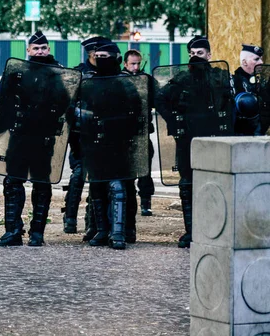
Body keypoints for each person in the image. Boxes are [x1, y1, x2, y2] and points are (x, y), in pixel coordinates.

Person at [0, 31, 74, 247]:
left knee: (41, 183)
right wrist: (9, 79)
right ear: (28, 51)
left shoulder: (57, 73)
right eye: (36, 48)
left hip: (43, 137)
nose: (40, 51)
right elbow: (1, 95)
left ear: (49, 50)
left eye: (43, 48)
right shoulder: (18, 70)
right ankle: (12, 232)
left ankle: (37, 232)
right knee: (12, 183)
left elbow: (65, 101)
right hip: (19, 135)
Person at [155, 36, 233, 248]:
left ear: (209, 55)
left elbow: (229, 106)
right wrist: (175, 122)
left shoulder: (219, 77)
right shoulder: (182, 79)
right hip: (188, 140)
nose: (195, 57)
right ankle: (191, 231)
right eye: (191, 54)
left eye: (199, 53)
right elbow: (160, 99)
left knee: (215, 183)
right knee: (187, 185)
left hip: (214, 140)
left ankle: (214, 229)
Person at [81, 41, 148, 250]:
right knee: (97, 185)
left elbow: (138, 113)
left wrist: (119, 124)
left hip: (120, 142)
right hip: (96, 142)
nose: (101, 60)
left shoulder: (126, 83)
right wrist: (85, 118)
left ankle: (121, 231)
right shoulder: (88, 82)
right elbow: (77, 108)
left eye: (105, 56)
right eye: (98, 56)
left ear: (116, 58)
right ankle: (102, 229)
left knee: (120, 186)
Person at [63, 36, 111, 236]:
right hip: (81, 134)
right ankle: (70, 218)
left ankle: (92, 223)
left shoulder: (109, 73)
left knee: (100, 179)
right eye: (95, 53)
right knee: (78, 175)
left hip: (104, 133)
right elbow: (67, 102)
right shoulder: (78, 73)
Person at [122, 49, 155, 221]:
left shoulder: (146, 80)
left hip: (142, 132)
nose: (135, 67)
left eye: (138, 63)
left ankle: (146, 202)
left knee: (145, 170)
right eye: (132, 63)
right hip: (124, 133)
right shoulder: (120, 80)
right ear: (125, 64)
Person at [232, 44, 264, 136]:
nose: (261, 62)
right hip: (242, 135)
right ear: (245, 62)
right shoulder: (235, 82)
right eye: (256, 59)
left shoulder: (261, 82)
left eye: (261, 58)